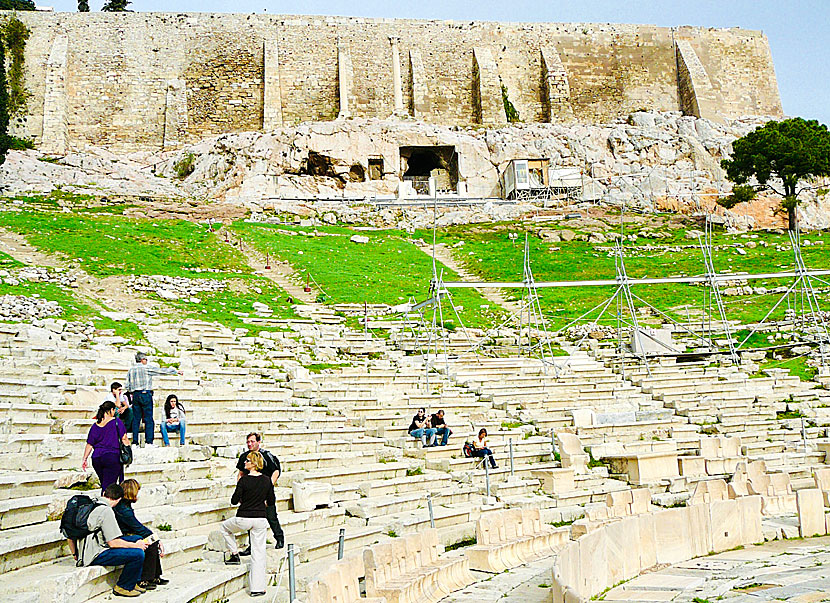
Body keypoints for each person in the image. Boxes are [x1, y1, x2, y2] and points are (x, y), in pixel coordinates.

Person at [67, 483, 149, 598]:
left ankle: (133, 581)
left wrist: (75, 554)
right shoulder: (106, 511)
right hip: (96, 554)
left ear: (104, 493)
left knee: (137, 538)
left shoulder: (92, 504)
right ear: (119, 499)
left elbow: (69, 534)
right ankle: (123, 587)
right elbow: (113, 543)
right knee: (138, 554)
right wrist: (135, 546)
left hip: (87, 550)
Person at [221, 451, 274, 598]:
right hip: (260, 519)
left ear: (254, 464)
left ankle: (234, 553)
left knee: (224, 528)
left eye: (247, 461)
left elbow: (233, 500)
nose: (244, 463)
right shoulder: (267, 480)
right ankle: (258, 588)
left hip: (244, 518)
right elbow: (271, 501)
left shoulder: (243, 481)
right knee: (258, 553)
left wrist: (244, 499)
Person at [114, 479, 169, 591]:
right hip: (123, 536)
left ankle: (154, 576)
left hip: (128, 532)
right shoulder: (123, 510)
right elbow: (138, 527)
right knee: (149, 543)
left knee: (151, 541)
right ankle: (144, 579)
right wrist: (156, 539)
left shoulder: (124, 505)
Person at [236, 432, 284, 550]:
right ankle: (252, 546)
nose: (250, 444)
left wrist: (267, 486)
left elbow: (276, 471)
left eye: (252, 441)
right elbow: (240, 473)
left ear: (258, 442)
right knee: (251, 517)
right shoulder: (244, 457)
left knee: (271, 516)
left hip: (265, 492)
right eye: (248, 442)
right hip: (250, 493)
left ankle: (279, 537)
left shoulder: (266, 456)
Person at [125, 352, 182, 447]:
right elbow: (160, 371)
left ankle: (135, 442)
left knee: (136, 419)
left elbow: (127, 385)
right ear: (142, 360)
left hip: (135, 395)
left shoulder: (131, 370)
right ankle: (148, 442)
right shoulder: (146, 368)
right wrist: (175, 371)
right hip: (145, 394)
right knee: (148, 419)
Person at [83, 401, 129, 492]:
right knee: (109, 486)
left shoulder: (95, 426)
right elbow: (124, 439)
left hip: (96, 458)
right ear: (111, 410)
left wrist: (84, 458)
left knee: (104, 483)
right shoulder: (117, 422)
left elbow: (90, 444)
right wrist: (128, 452)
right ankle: (105, 504)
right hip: (111, 457)